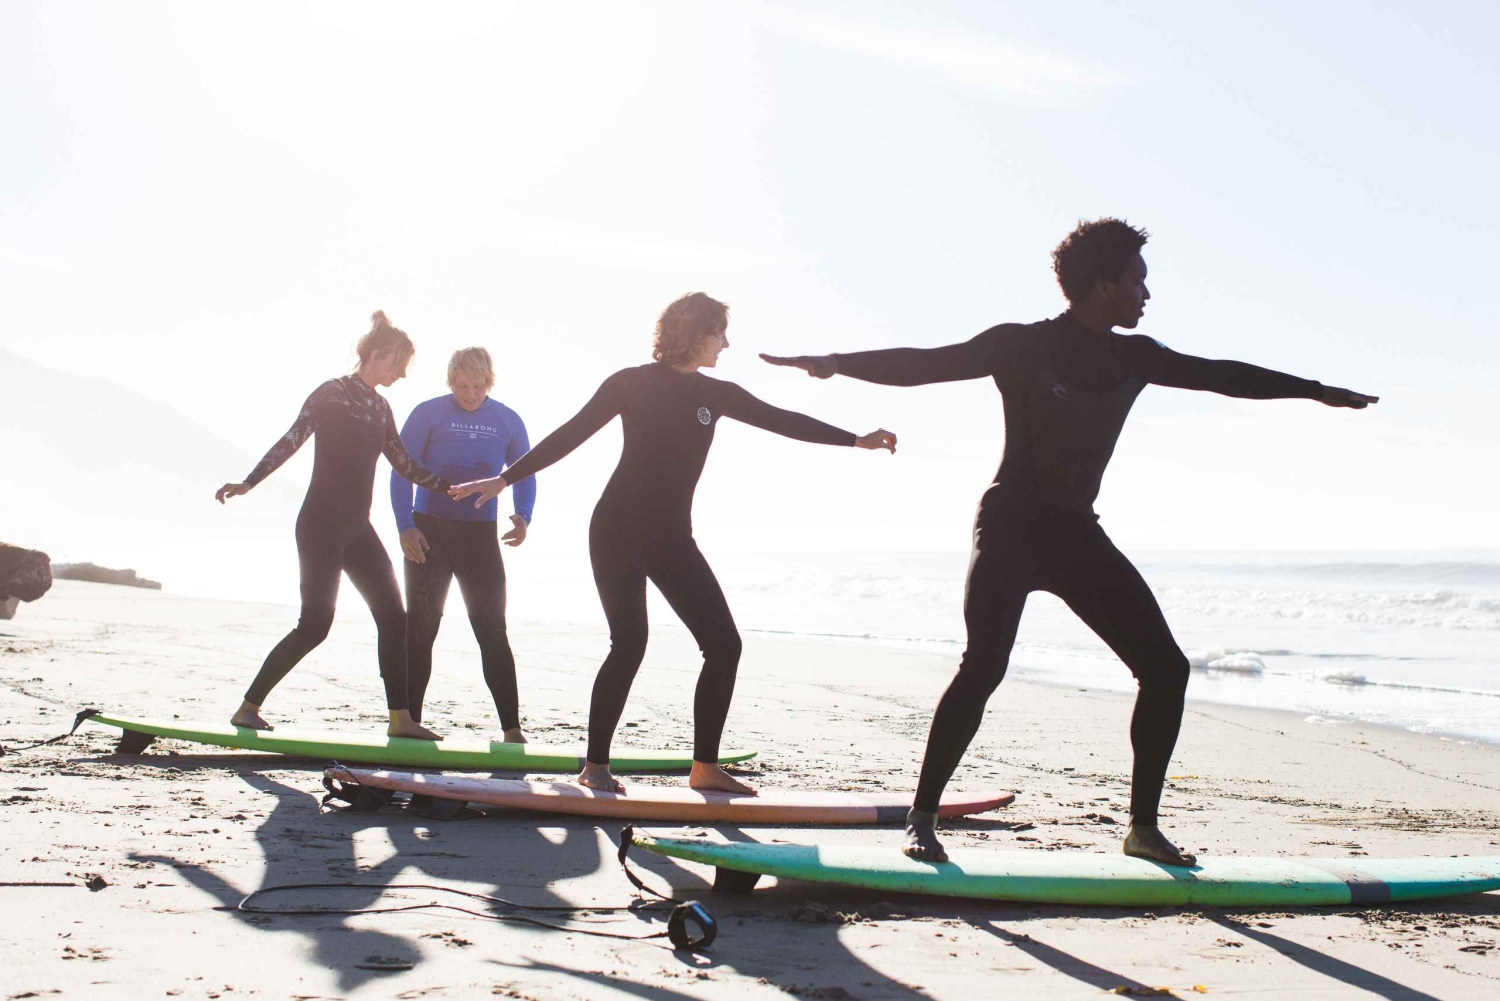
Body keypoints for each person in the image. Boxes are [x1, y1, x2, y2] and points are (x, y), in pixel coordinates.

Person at [762, 219, 1378, 865]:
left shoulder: (1134, 356)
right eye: (1138, 278)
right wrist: (836, 364)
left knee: (1166, 668)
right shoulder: (1021, 346)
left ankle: (1142, 827)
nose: (1147, 292)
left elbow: (1221, 374)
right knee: (984, 665)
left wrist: (1313, 391)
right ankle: (922, 814)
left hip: (1074, 533)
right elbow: (926, 364)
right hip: (1009, 527)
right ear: (1104, 283)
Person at [449, 292, 897, 794]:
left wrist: (855, 439)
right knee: (630, 642)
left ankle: (704, 766)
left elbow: (783, 420)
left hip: (672, 537)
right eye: (719, 333)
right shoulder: (630, 383)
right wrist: (504, 480)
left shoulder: (717, 394)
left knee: (724, 644)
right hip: (617, 529)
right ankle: (595, 766)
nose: (725, 344)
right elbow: (571, 434)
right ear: (695, 333)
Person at [216, 311, 449, 740]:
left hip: (358, 528)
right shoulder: (333, 393)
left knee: (393, 619)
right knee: (315, 625)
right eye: (397, 364)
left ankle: (401, 719)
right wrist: (250, 482)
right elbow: (293, 438)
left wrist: (452, 488)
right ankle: (248, 707)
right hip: (321, 524)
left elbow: (403, 463)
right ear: (376, 355)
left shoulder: (381, 407)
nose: (401, 374)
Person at [391, 346, 536, 741]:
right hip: (428, 533)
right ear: (449, 381)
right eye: (461, 386)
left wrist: (523, 515)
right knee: (420, 631)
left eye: (477, 386)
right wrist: (405, 525)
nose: (469, 394)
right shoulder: (427, 413)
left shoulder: (507, 420)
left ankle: (511, 730)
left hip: (479, 539)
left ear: (489, 382)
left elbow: (525, 473)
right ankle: (409, 724)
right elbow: (400, 471)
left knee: (492, 631)